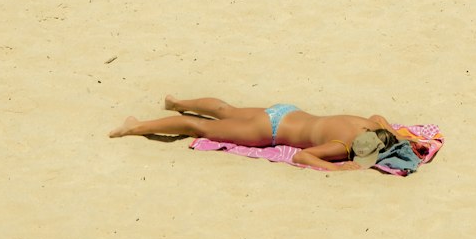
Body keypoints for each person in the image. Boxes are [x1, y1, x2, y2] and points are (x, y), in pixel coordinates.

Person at [108, 96, 401, 171]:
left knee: (226, 110)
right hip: (267, 131)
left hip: (284, 112)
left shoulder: (367, 123)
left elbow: (381, 118)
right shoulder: (340, 145)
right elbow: (302, 156)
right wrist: (336, 169)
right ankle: (134, 127)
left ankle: (177, 103)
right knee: (197, 127)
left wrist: (397, 135)